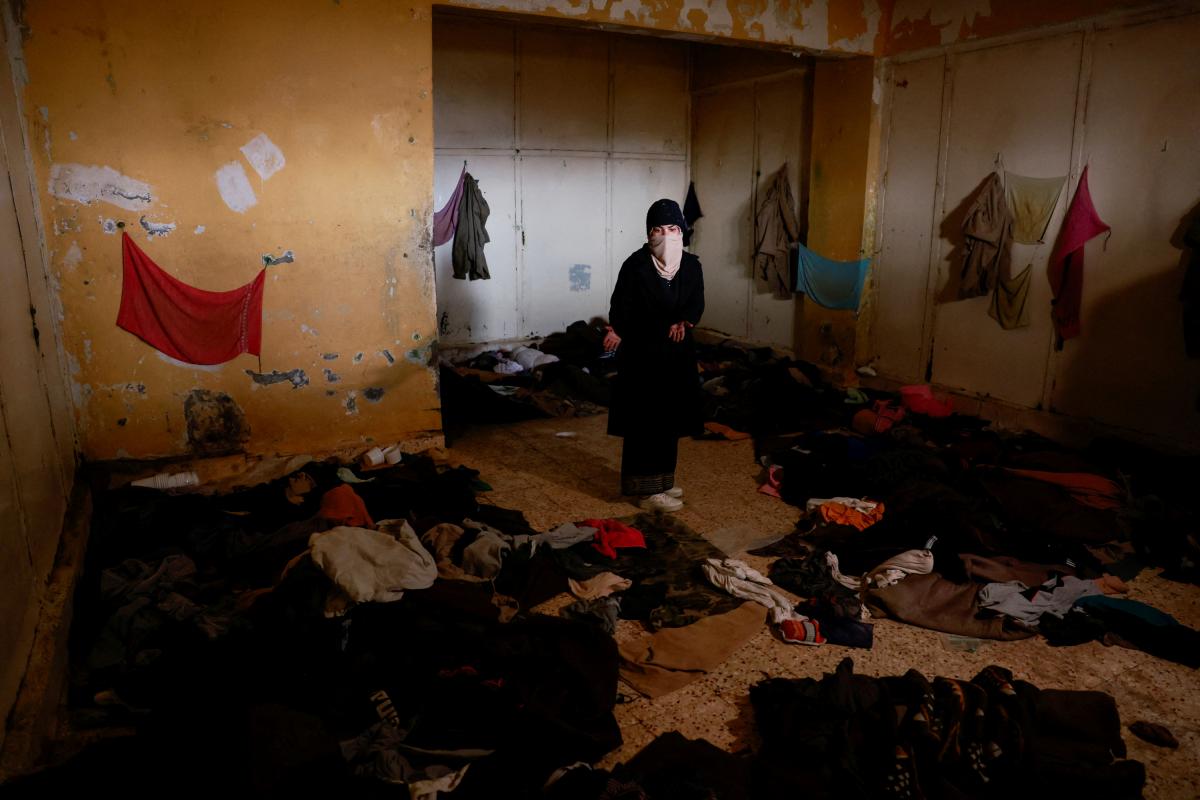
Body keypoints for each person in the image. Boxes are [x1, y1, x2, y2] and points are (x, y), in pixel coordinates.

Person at [605, 198, 705, 513]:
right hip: (643, 356)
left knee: (669, 420)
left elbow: (697, 302)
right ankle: (646, 491)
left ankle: (663, 481)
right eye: (658, 230)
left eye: (672, 229)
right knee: (645, 422)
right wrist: (658, 326)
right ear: (649, 233)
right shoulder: (635, 266)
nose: (665, 236)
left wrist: (684, 320)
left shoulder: (692, 266)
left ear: (682, 231)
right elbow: (622, 310)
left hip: (677, 356)